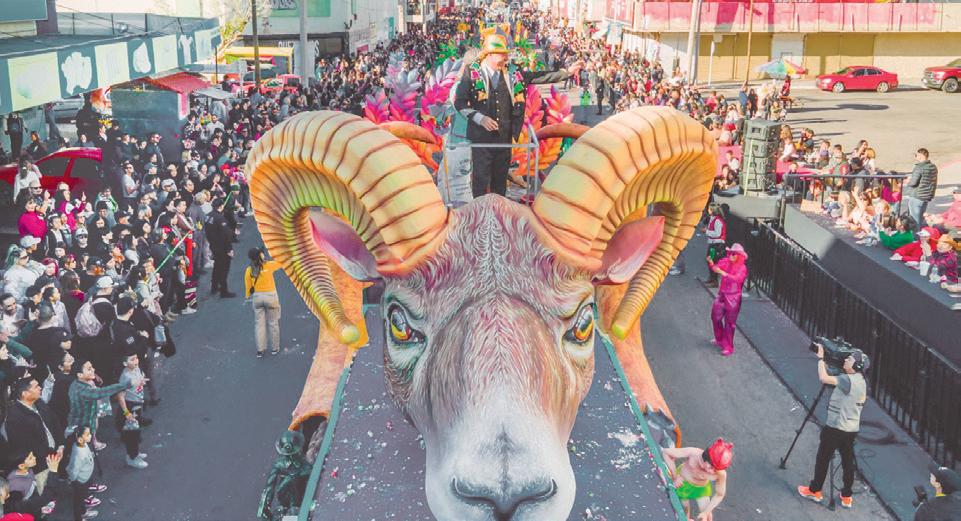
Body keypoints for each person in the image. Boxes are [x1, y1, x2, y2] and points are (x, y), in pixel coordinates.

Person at [453, 24, 581, 197]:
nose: (506, 58)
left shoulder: (513, 72)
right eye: (502, 54)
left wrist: (567, 72)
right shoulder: (472, 73)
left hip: (504, 138)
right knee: (480, 180)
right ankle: (479, 210)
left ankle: (498, 209)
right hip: (481, 138)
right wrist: (479, 118)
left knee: (500, 180)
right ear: (489, 54)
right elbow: (460, 103)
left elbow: (539, 77)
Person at [797, 343, 869, 508]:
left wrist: (821, 359)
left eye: (850, 359)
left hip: (835, 427)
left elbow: (824, 378)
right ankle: (846, 495)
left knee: (823, 458)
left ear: (857, 366)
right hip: (851, 429)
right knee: (847, 461)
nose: (846, 360)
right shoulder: (863, 381)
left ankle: (815, 490)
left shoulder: (846, 380)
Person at [3, 378, 64, 497]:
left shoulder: (39, 403)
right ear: (25, 394)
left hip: (53, 457)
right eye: (36, 386)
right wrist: (47, 458)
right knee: (45, 495)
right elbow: (23, 448)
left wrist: (60, 445)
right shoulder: (15, 417)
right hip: (40, 466)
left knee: (53, 487)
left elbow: (55, 422)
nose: (40, 388)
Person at [662, 439, 733, 521]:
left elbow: (720, 494)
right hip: (682, 483)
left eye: (716, 469)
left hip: (701, 488)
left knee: (708, 518)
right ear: (707, 458)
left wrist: (705, 512)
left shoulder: (720, 474)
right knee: (682, 509)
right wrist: (675, 476)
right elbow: (666, 453)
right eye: (711, 467)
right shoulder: (694, 453)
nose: (712, 471)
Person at [708, 243, 748, 356]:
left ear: (739, 256)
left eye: (733, 254)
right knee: (715, 317)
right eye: (730, 253)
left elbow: (737, 279)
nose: (730, 255)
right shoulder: (725, 262)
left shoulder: (742, 268)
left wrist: (723, 273)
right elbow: (716, 268)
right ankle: (719, 339)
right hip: (722, 295)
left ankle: (728, 346)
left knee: (730, 323)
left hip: (734, 297)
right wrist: (711, 262)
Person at [245, 247, 284, 358]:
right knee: (273, 322)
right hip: (271, 297)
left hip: (257, 298)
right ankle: (275, 348)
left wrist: (248, 295)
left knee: (259, 324)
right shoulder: (268, 265)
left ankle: (260, 350)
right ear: (260, 255)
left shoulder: (249, 270)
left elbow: (248, 288)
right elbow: (281, 262)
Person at [63, 427, 102, 520]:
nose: (90, 435)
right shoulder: (79, 453)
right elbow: (74, 469)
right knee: (78, 500)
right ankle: (78, 518)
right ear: (80, 439)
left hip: (84, 478)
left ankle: (83, 512)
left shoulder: (82, 445)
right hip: (79, 481)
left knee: (80, 498)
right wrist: (72, 480)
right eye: (87, 435)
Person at [204, 197, 236, 298]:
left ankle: (214, 286)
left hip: (213, 245)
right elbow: (226, 235)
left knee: (217, 266)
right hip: (222, 247)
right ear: (221, 206)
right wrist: (229, 249)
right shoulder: (220, 218)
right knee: (224, 269)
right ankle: (224, 291)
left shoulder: (208, 216)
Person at [902, 148, 938, 228]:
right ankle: (920, 233)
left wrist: (907, 181)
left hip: (917, 195)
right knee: (920, 219)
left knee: (914, 220)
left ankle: (916, 235)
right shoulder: (933, 167)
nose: (915, 157)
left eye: (916, 155)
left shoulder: (919, 167)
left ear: (921, 156)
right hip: (926, 196)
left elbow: (913, 182)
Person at [703, 204, 727, 287]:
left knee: (712, 261)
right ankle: (712, 278)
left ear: (713, 210)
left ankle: (714, 281)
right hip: (714, 244)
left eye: (709, 209)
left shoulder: (717, 221)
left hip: (716, 244)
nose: (708, 210)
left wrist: (706, 231)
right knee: (710, 260)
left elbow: (717, 233)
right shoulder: (713, 219)